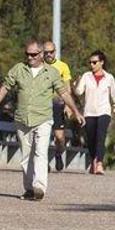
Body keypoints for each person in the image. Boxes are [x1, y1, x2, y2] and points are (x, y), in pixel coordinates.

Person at [0, 40, 85, 201]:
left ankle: (39, 187)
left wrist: (75, 111)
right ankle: (29, 189)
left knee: (40, 153)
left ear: (41, 54)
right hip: (22, 119)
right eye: (27, 54)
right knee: (26, 155)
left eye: (34, 54)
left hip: (43, 119)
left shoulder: (52, 72)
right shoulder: (19, 69)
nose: (30, 58)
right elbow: (5, 88)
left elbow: (63, 93)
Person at [74, 50, 115, 175]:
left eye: (94, 62)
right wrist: (77, 83)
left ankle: (99, 163)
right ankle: (93, 160)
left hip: (104, 111)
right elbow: (79, 92)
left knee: (101, 137)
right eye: (90, 62)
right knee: (91, 139)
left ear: (101, 62)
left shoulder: (109, 78)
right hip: (89, 112)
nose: (92, 65)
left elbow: (114, 94)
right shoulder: (86, 76)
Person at [43, 41, 72, 171]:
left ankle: (58, 153)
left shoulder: (63, 66)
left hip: (57, 104)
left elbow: (67, 87)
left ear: (55, 52)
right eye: (46, 52)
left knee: (60, 137)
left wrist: (68, 105)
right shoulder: (39, 66)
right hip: (43, 105)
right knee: (42, 136)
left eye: (51, 52)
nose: (49, 54)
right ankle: (43, 162)